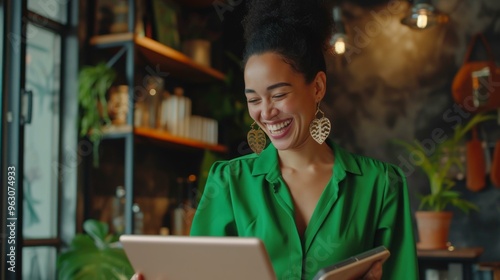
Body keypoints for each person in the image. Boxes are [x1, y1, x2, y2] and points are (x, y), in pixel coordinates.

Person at [132, 0, 418, 279]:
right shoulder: (230, 182)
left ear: (317, 87)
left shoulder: (380, 185)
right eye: (253, 99)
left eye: (279, 95)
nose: (266, 112)